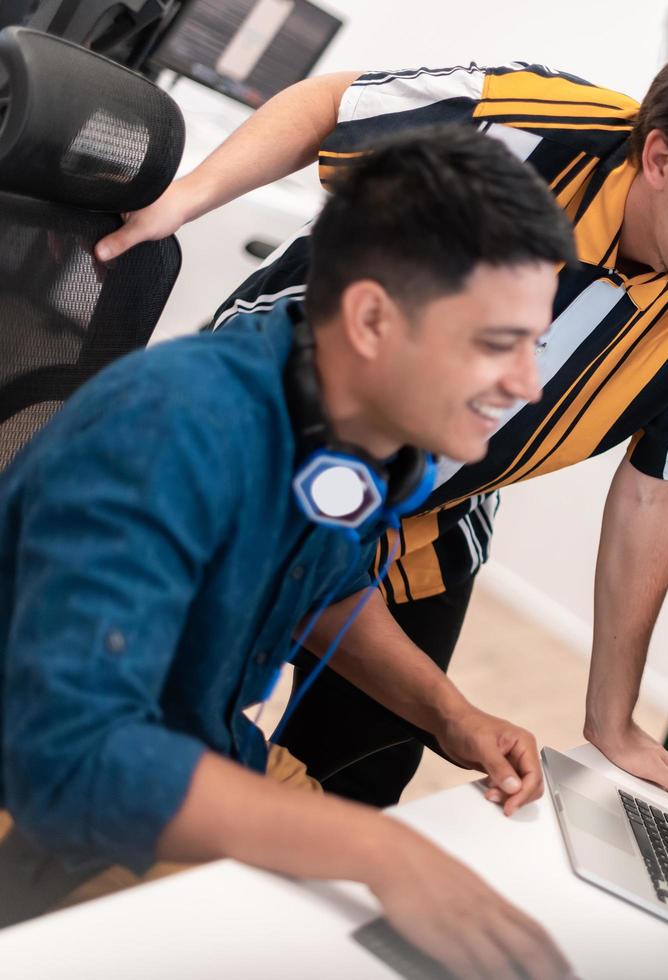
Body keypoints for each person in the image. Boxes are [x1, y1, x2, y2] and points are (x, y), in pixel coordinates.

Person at [94, 20, 668, 808]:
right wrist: (179, 202)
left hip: (438, 502)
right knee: (165, 710)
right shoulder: (525, 127)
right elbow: (335, 106)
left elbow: (656, 486)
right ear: (660, 159)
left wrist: (612, 718)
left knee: (358, 777)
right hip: (284, 435)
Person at [0, 128, 576, 980]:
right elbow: (74, 755)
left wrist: (452, 714)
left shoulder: (342, 427)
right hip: (50, 801)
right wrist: (377, 849)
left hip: (203, 743)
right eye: (498, 344)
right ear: (374, 318)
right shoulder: (170, 432)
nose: (529, 384)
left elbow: (323, 588)